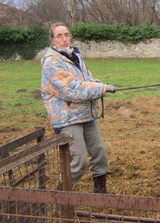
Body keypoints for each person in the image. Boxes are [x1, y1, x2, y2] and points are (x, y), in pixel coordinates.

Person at [41, 22, 115, 193]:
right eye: (59, 36)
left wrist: (99, 84)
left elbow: (87, 78)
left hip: (86, 114)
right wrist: (101, 88)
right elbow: (71, 90)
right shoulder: (51, 62)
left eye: (66, 34)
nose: (64, 39)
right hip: (67, 118)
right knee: (79, 161)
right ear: (52, 40)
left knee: (99, 153)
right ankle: (59, 197)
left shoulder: (74, 55)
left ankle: (100, 193)